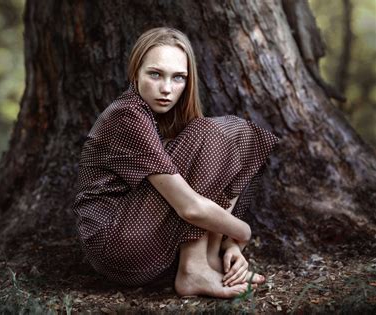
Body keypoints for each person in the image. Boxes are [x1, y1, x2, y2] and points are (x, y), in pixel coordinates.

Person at [72, 27, 280, 298]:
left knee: (243, 138)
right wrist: (242, 232)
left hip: (139, 237)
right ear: (135, 72)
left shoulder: (161, 117)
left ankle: (212, 259)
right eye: (155, 74)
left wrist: (229, 244)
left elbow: (211, 183)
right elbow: (190, 208)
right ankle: (193, 268)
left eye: (178, 78)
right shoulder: (127, 115)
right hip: (115, 241)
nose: (167, 89)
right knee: (212, 133)